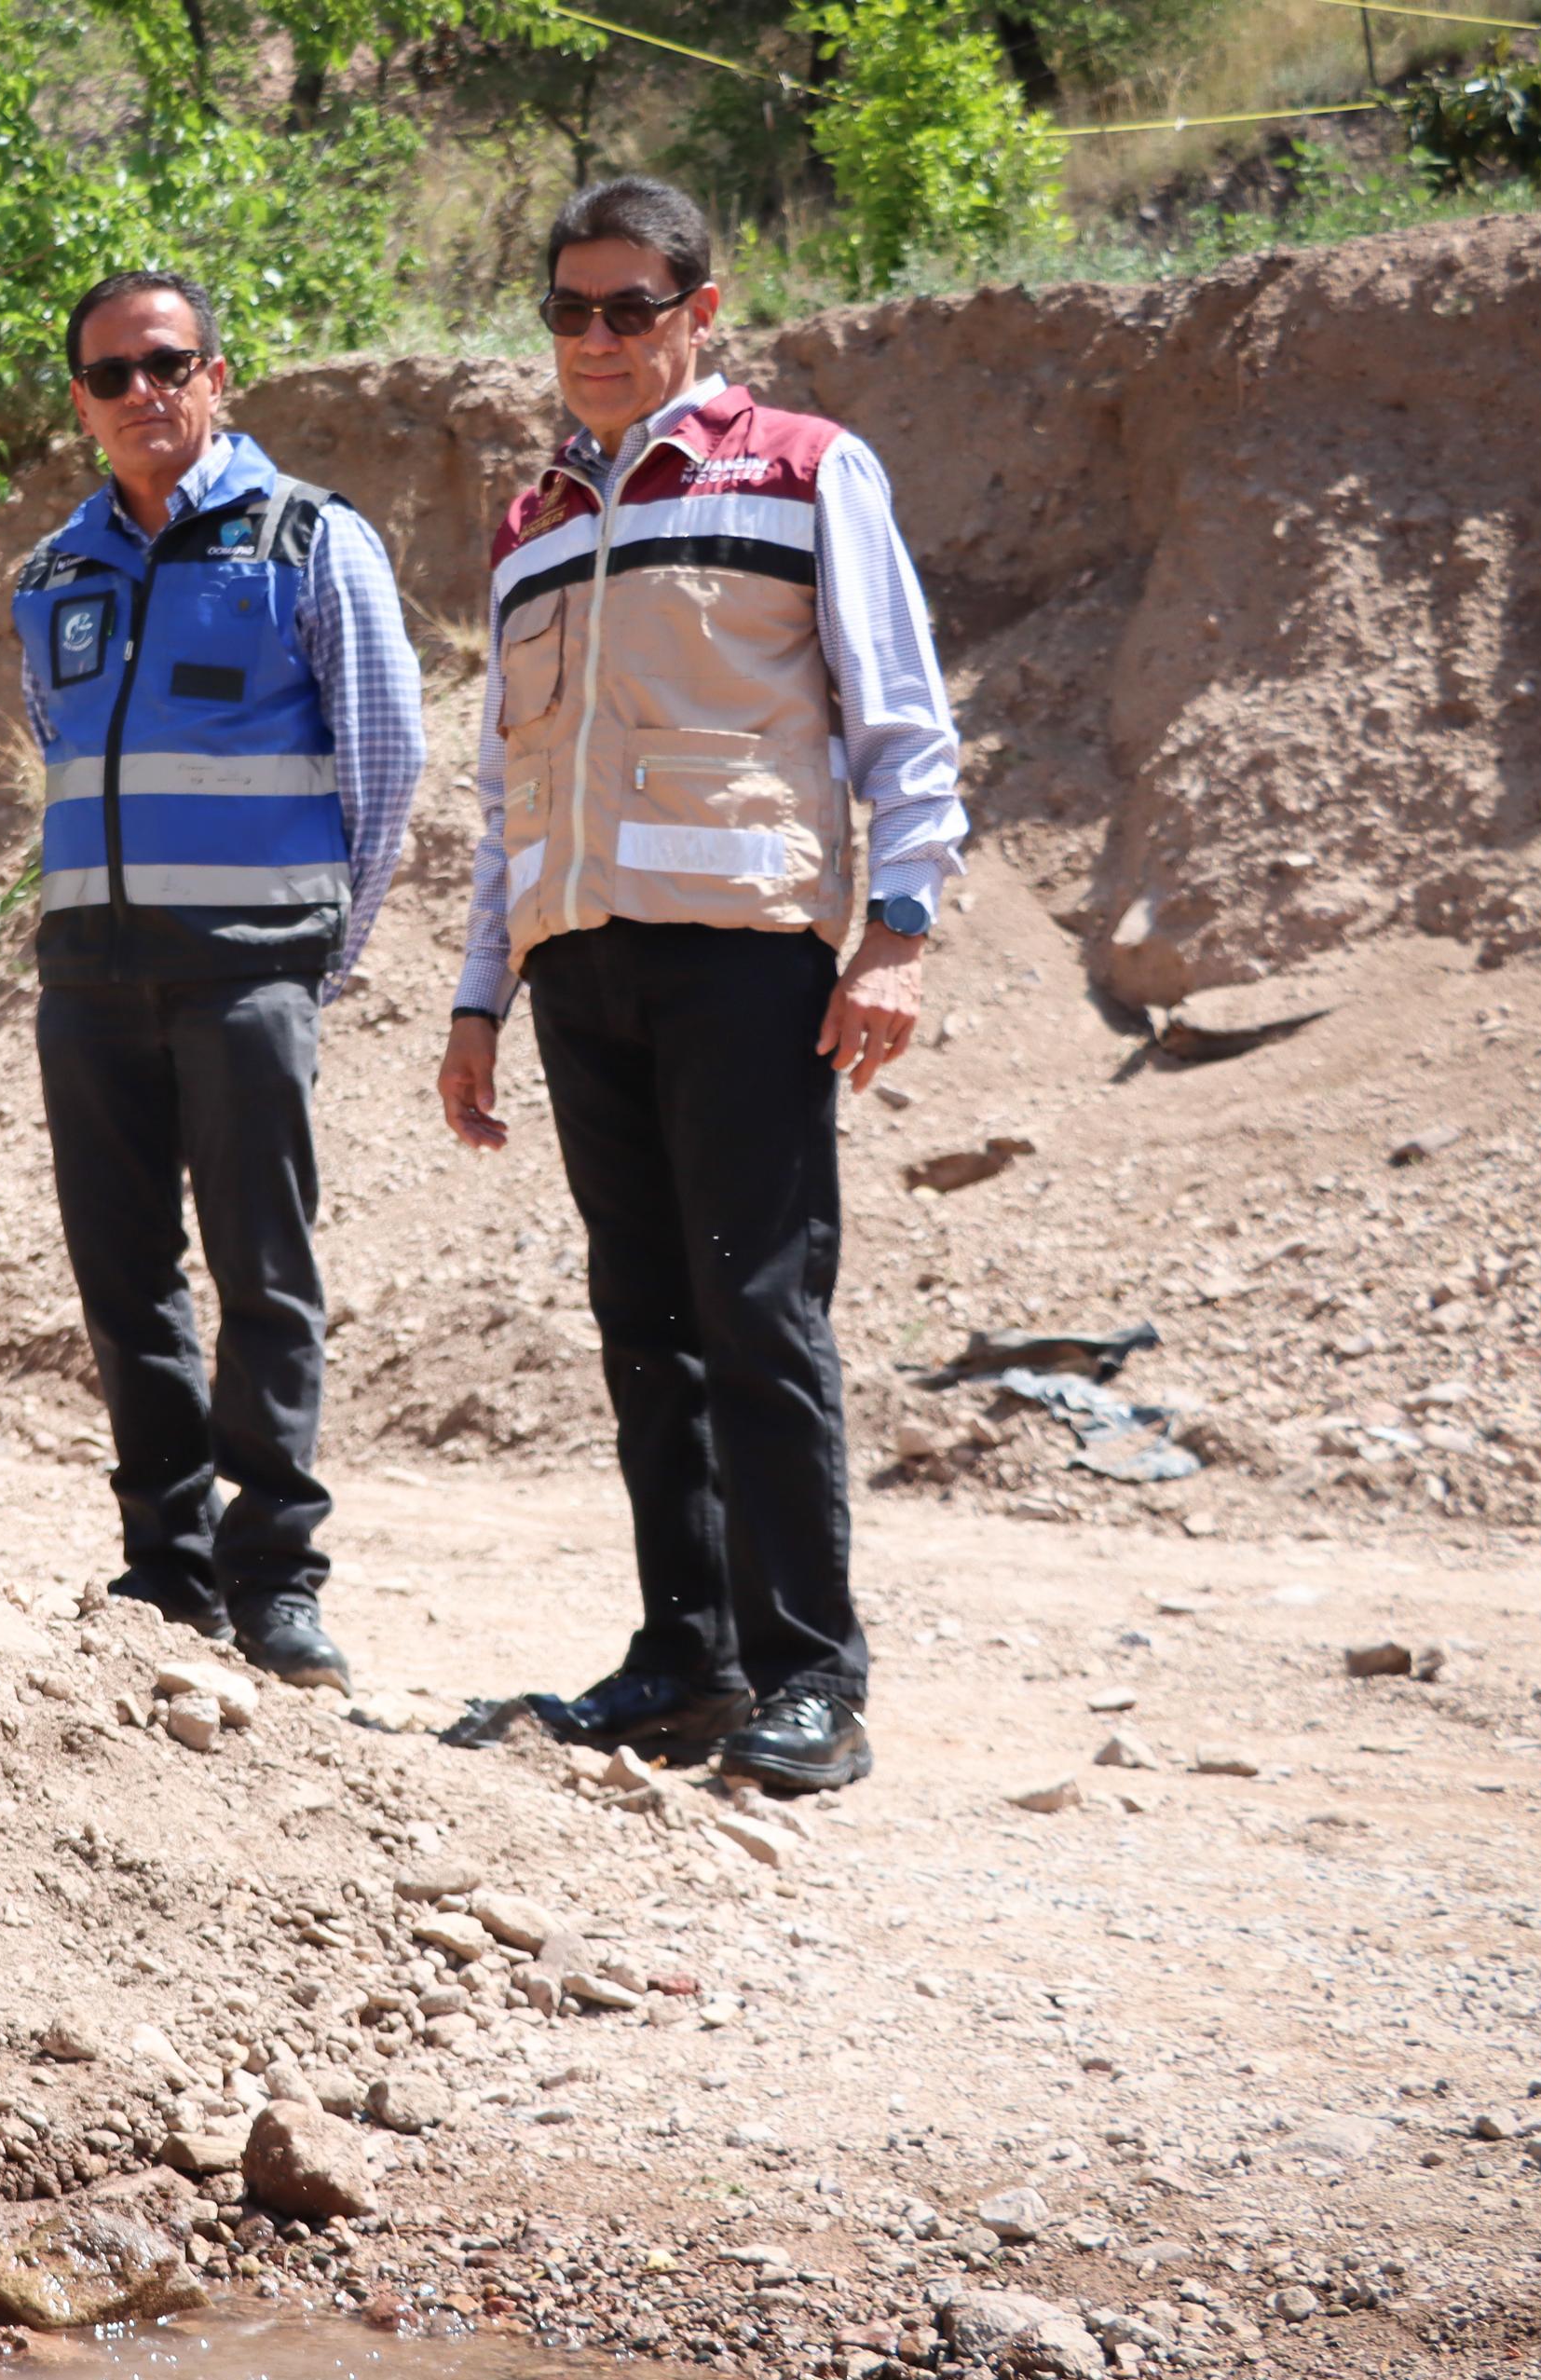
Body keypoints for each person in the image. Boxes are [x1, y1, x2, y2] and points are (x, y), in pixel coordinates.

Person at [432, 175, 967, 1794]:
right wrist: (480, 996)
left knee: (757, 1314)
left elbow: (901, 720)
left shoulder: (804, 468)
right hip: (579, 967)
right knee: (646, 1326)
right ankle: (688, 1659)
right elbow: (506, 791)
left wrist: (897, 930)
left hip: (744, 957)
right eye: (568, 310)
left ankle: (812, 1676)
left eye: (631, 308)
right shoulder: (532, 524)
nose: (595, 338)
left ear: (701, 312)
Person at [14, 269, 427, 1689]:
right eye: (110, 376)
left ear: (216, 375)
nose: (142, 393)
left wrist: (318, 955)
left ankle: (275, 1580)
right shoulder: (50, 576)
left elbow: (387, 764)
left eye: (167, 364)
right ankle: (167, 1571)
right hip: (90, 980)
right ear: (83, 403)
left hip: (250, 972)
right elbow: (61, 749)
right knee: (125, 1282)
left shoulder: (308, 539)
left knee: (265, 1274)